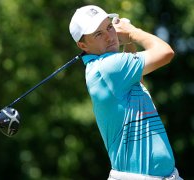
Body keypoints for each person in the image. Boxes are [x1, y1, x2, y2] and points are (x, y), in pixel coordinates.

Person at [69, 5, 182, 180]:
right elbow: (166, 52)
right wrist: (131, 32)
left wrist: (128, 43)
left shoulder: (109, 69)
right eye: (98, 34)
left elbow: (137, 82)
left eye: (109, 27)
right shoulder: (108, 67)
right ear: (82, 45)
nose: (109, 36)